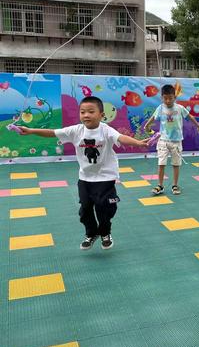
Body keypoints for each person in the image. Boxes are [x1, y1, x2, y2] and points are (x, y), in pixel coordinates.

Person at [19, 96, 149, 250]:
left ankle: (105, 233)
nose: (86, 115)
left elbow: (121, 138)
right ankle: (92, 233)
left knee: (104, 208)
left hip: (105, 177)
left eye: (91, 112)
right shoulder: (76, 130)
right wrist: (31, 131)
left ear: (101, 115)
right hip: (85, 178)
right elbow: (52, 132)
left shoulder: (106, 130)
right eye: (82, 112)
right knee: (85, 209)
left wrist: (138, 142)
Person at [144, 84, 199, 195]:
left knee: (176, 164)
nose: (168, 101)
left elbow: (190, 117)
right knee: (161, 163)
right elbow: (153, 117)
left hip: (176, 142)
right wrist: (147, 125)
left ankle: (175, 185)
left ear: (175, 97)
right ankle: (160, 185)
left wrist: (198, 125)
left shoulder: (180, 108)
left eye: (170, 98)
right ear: (162, 97)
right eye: (165, 98)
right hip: (163, 141)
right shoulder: (160, 108)